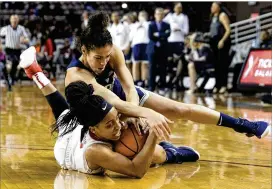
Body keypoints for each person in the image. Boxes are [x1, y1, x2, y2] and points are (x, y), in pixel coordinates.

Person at [24, 12, 270, 141]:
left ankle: (243, 125)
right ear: (84, 51)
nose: (104, 62)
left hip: (121, 95)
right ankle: (38, 76)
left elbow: (129, 87)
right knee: (74, 129)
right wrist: (142, 114)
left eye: (107, 57)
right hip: (99, 110)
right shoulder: (75, 76)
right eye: (98, 58)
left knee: (178, 109)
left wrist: (140, 111)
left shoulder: (112, 51)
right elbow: (113, 103)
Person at [19, 53, 199, 178]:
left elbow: (114, 118)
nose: (117, 126)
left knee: (68, 112)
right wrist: (153, 136)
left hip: (76, 131)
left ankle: (37, 74)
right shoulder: (95, 151)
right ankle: (173, 153)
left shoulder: (96, 119)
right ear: (92, 128)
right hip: (65, 150)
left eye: (115, 120)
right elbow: (136, 170)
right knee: (149, 153)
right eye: (110, 125)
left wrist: (132, 118)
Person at [208, 2, 231, 94]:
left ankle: (223, 85)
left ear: (219, 7)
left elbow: (228, 30)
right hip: (214, 44)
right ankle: (217, 85)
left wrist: (222, 40)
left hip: (222, 43)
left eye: (214, 6)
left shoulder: (222, 15)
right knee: (216, 65)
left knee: (222, 65)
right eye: (211, 6)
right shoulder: (212, 17)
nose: (212, 7)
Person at [147, 8, 171, 94]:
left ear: (163, 15)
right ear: (155, 15)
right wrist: (162, 34)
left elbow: (168, 34)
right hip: (153, 49)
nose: (159, 15)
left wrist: (158, 34)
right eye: (158, 14)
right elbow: (150, 36)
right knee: (152, 68)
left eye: (161, 14)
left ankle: (162, 86)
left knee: (163, 68)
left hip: (163, 49)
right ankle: (151, 86)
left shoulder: (167, 25)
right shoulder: (151, 25)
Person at [0, 14, 29, 85]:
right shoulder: (6, 28)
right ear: (10, 20)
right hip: (8, 50)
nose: (14, 20)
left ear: (18, 20)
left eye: (16, 19)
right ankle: (8, 79)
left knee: (15, 65)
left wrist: (24, 40)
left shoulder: (21, 28)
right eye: (13, 19)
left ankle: (12, 79)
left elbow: (27, 39)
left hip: (17, 50)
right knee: (9, 64)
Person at [130, 11, 150, 88]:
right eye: (141, 15)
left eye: (144, 15)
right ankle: (136, 81)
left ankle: (144, 82)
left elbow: (149, 33)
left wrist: (144, 23)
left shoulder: (149, 24)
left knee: (145, 64)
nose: (142, 16)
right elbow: (131, 36)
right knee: (136, 63)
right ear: (138, 17)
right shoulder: (134, 25)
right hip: (136, 45)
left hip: (146, 44)